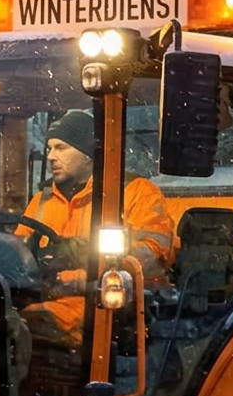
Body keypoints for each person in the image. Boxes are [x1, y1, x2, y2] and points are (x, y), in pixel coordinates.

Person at [19, 109, 177, 362]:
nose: (51, 157)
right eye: (49, 148)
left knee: (27, 327)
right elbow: (21, 254)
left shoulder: (134, 193)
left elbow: (154, 254)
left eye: (61, 147)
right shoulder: (42, 200)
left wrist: (83, 256)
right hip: (46, 297)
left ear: (88, 155)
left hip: (108, 305)